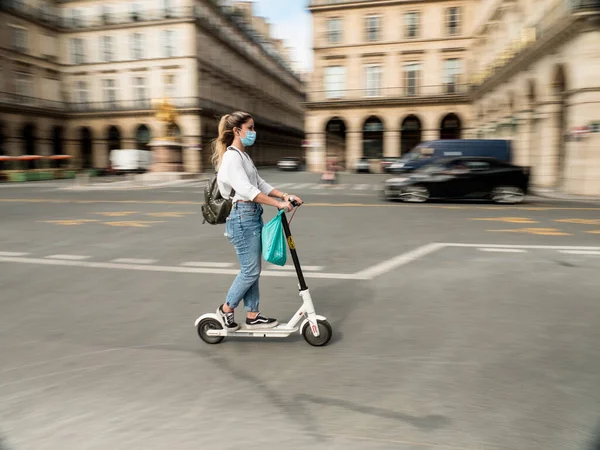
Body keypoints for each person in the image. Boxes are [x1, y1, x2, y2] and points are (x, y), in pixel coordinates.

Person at [212, 111, 303, 331]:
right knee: (250, 270)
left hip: (251, 214)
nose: (254, 132)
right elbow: (247, 190)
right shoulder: (232, 157)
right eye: (250, 128)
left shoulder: (243, 156)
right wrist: (278, 204)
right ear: (237, 130)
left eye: (253, 128)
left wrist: (283, 195)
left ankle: (252, 314)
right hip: (242, 216)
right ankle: (226, 310)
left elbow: (260, 183)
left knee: (252, 268)